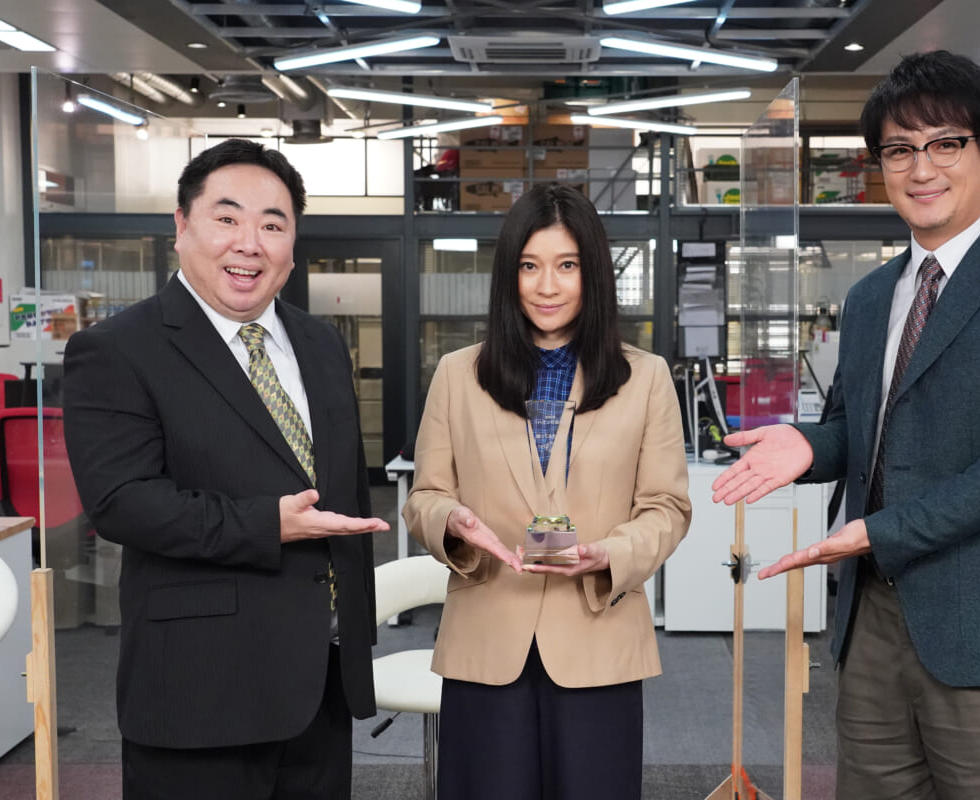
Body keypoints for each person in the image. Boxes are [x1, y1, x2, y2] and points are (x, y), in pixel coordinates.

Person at [712, 51, 980, 799]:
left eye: (945, 144)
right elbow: (858, 429)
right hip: (873, 623)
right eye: (899, 150)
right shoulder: (870, 296)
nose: (922, 169)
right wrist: (808, 445)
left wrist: (875, 533)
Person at [63, 138, 388, 800]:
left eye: (273, 224)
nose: (250, 243)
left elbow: (345, 488)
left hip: (321, 681)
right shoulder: (116, 349)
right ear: (181, 227)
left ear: (292, 245)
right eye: (227, 217)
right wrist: (268, 524)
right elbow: (122, 501)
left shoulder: (321, 343)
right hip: (201, 689)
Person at [404, 183, 691, 800]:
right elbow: (424, 495)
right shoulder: (458, 375)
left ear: (593, 274)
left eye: (567, 266)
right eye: (530, 266)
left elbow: (666, 507)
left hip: (598, 633)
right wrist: (451, 520)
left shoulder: (645, 378)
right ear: (509, 275)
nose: (547, 286)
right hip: (486, 636)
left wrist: (612, 552)